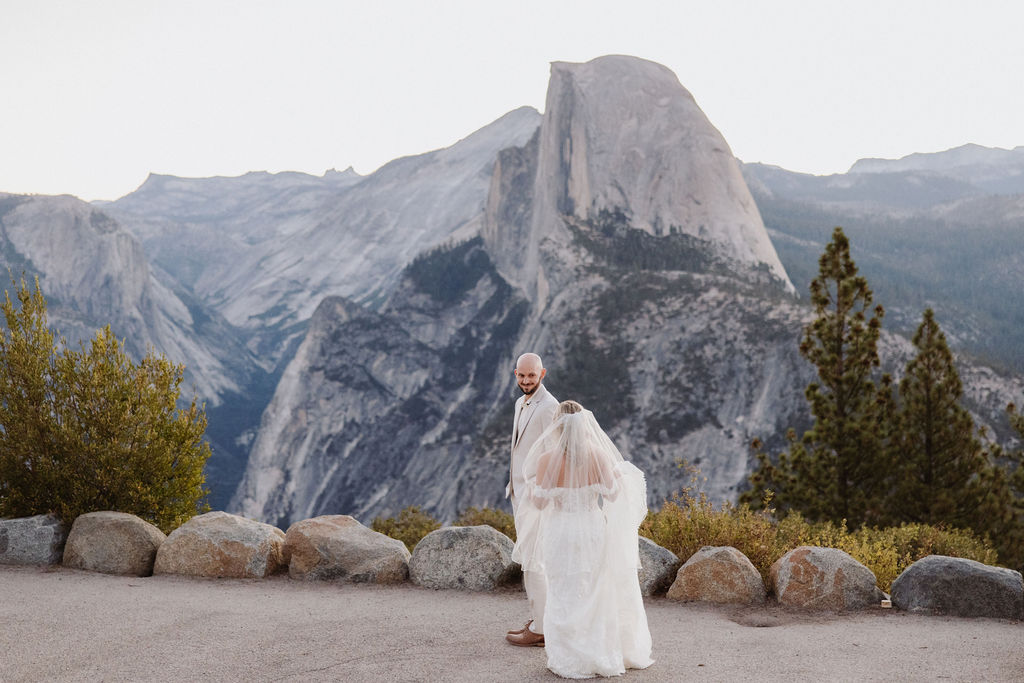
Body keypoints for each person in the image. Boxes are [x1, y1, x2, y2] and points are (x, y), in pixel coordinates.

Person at [511, 400, 654, 678]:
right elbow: (612, 496)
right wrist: (621, 476)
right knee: (594, 588)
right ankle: (599, 653)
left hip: (560, 531)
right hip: (591, 529)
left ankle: (568, 657)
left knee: (563, 590)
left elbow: (539, 504)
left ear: (557, 426)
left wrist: (533, 488)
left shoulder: (546, 460)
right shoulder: (599, 456)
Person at [505, 353, 559, 646]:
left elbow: (553, 455)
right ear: (515, 374)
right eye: (521, 376)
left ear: (543, 373)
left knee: (534, 561)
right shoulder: (519, 402)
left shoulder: (550, 407)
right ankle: (542, 617)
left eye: (532, 376)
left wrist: (540, 495)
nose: (526, 381)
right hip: (519, 493)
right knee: (531, 558)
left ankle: (540, 628)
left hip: (536, 499)